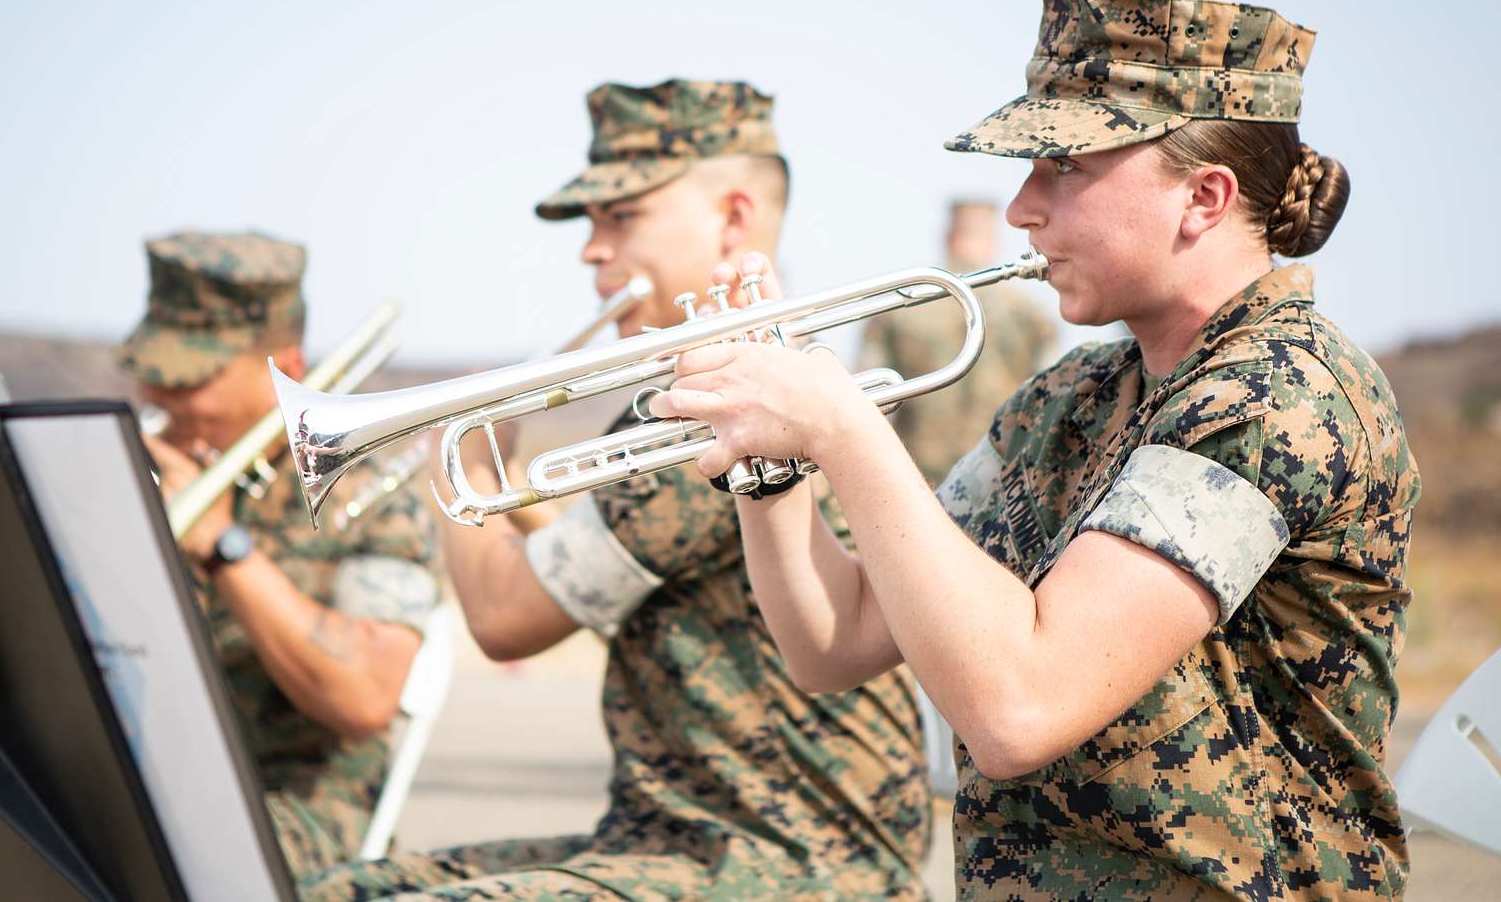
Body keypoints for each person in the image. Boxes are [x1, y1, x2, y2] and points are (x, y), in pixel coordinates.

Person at [654, 0, 1420, 899]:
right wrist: (770, 464)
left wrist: (845, 431)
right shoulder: (1074, 394)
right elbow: (837, 639)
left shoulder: (1281, 395)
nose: (1021, 206)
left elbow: (1018, 706)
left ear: (1205, 199)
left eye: (1063, 165)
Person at [302, 79, 931, 901]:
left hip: (792, 859)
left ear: (734, 218)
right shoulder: (696, 395)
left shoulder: (734, 403)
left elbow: (503, 617)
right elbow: (606, 559)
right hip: (677, 836)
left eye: (622, 216)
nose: (591, 251)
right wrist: (508, 487)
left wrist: (457, 458)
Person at [117, 232, 442, 878]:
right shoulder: (131, 475)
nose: (162, 398)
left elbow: (364, 696)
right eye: (155, 373)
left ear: (286, 367)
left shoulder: (370, 494)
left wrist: (220, 545)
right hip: (138, 783)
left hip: (295, 809)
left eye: (193, 378)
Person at [858, 197, 1055, 486]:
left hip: (916, 479)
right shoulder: (1030, 314)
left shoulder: (900, 307)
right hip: (998, 477)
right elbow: (1048, 402)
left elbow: (867, 401)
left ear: (948, 236)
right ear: (993, 240)